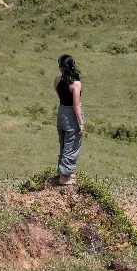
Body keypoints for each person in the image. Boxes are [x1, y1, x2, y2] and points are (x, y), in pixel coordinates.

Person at [54, 54, 84, 186]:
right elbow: (76, 104)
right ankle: (65, 177)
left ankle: (63, 172)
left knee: (63, 142)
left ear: (61, 67)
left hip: (61, 112)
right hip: (71, 114)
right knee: (72, 144)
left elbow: (59, 94)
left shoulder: (57, 80)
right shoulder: (76, 84)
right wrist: (81, 122)